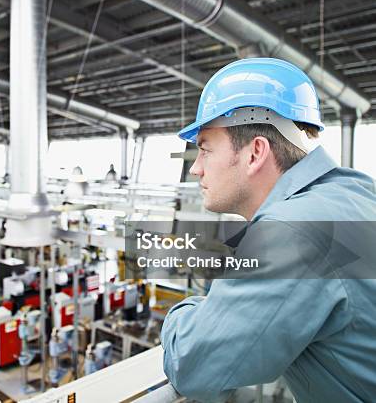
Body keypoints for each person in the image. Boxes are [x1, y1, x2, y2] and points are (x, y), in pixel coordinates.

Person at [160, 58, 376, 402]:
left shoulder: (294, 230)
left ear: (255, 152)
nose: (196, 170)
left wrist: (184, 311)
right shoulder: (358, 192)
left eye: (204, 149)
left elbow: (191, 363)